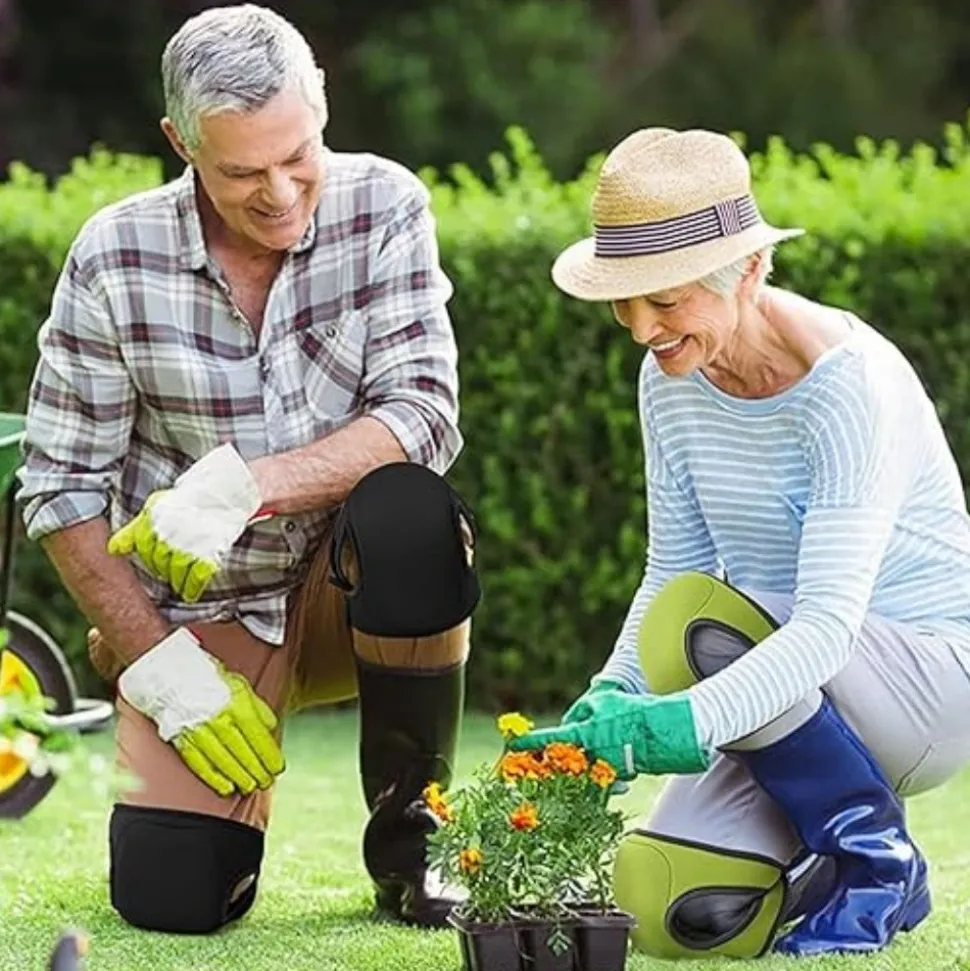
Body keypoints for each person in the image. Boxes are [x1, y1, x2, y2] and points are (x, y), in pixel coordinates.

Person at [16, 3, 481, 936]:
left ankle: (413, 844)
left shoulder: (385, 206)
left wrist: (238, 488)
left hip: (343, 596)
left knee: (412, 514)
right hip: (196, 622)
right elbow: (59, 486)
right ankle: (196, 797)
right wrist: (157, 664)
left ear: (322, 106)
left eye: (296, 155)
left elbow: (423, 412)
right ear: (179, 142)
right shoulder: (114, 257)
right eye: (241, 171)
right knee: (170, 898)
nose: (279, 192)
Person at [509, 127, 970, 959]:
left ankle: (875, 859)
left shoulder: (848, 388)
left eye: (667, 297)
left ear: (749, 270)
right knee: (662, 907)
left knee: (697, 619)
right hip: (777, 684)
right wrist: (607, 700)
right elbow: (673, 567)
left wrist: (672, 725)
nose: (641, 327)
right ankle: (825, 860)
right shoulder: (671, 378)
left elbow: (826, 625)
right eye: (625, 299)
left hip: (925, 684)